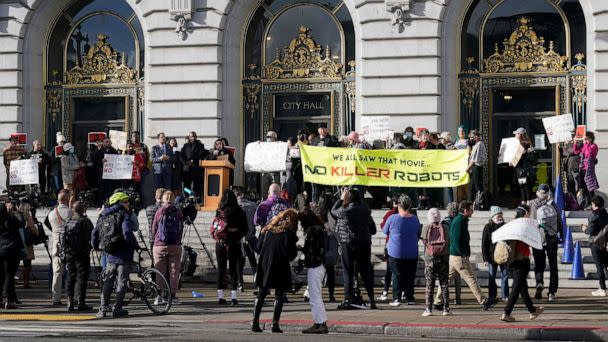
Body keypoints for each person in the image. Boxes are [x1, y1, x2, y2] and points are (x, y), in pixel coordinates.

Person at [251, 209, 299, 333]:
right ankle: (275, 324)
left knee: (261, 293)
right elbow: (291, 255)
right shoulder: (289, 234)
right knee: (279, 294)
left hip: (265, 264)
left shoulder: (267, 230)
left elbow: (257, 248)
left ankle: (255, 322)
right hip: (280, 264)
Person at [92, 192, 139, 318]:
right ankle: (117, 309)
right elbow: (127, 232)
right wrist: (136, 246)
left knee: (108, 280)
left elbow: (95, 232)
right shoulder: (124, 214)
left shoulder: (103, 215)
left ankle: (102, 309)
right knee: (122, 281)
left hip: (110, 253)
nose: (128, 204)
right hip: (124, 253)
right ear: (120, 203)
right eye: (126, 201)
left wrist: (95, 246)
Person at [435, 200, 489, 309]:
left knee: (446, 279)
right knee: (471, 278)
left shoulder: (460, 220)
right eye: (471, 210)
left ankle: (438, 301)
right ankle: (483, 301)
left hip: (454, 256)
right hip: (459, 257)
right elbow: (456, 240)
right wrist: (463, 253)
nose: (472, 212)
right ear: (465, 210)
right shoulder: (460, 221)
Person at [332, 188, 377, 310]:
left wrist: (341, 199)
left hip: (348, 243)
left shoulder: (346, 210)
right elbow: (373, 230)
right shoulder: (365, 210)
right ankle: (371, 298)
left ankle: (348, 298)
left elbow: (334, 211)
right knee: (366, 271)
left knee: (348, 271)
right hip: (364, 243)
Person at [383, 194, 421, 306]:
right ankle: (410, 298)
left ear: (399, 205)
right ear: (409, 206)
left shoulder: (392, 218)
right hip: (412, 252)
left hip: (395, 252)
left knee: (396, 275)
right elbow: (418, 232)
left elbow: (385, 231)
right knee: (410, 276)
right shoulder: (415, 219)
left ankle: (396, 298)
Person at [211, 190, 247, 305]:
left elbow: (215, 227)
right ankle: (234, 296)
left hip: (221, 243)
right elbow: (245, 229)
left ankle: (220, 296)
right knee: (233, 269)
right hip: (234, 243)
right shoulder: (240, 211)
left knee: (221, 269)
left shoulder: (219, 211)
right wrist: (236, 235)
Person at [527, 184, 561, 302]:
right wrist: (561, 234)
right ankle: (552, 292)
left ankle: (539, 282)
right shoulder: (552, 204)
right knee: (553, 266)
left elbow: (530, 221)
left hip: (538, 238)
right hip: (552, 238)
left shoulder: (532, 203)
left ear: (537, 193)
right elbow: (559, 220)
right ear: (548, 193)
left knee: (539, 264)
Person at [298, 208, 329, 334]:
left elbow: (313, 250)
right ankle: (322, 322)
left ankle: (319, 323)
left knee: (314, 296)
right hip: (319, 265)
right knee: (317, 295)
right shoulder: (319, 228)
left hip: (315, 265)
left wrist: (302, 249)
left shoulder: (313, 231)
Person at [151, 190, 184, 304]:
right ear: (173, 199)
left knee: (159, 271)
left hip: (159, 245)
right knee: (174, 272)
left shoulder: (159, 211)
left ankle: (158, 297)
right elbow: (181, 228)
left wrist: (157, 239)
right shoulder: (178, 211)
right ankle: (172, 297)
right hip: (175, 245)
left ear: (163, 200)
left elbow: (154, 228)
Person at [501, 239, 544, 322]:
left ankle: (532, 310)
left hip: (510, 263)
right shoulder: (522, 232)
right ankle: (507, 313)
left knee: (522, 288)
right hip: (521, 262)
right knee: (516, 289)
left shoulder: (509, 231)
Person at [64, 201, 94, 311]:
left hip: (70, 253)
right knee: (82, 277)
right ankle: (81, 301)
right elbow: (92, 234)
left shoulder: (69, 221)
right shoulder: (85, 221)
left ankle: (70, 301)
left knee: (70, 277)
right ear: (83, 209)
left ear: (73, 209)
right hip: (82, 253)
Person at [45, 190, 73, 305]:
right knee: (70, 271)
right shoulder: (71, 213)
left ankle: (56, 298)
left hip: (56, 244)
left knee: (57, 272)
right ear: (67, 200)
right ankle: (71, 296)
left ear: (58, 200)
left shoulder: (51, 213)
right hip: (69, 245)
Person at [421, 208, 450, 316]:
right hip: (443, 259)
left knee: (429, 284)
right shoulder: (445, 227)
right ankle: (446, 309)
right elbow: (448, 241)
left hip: (430, 260)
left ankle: (428, 309)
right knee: (444, 284)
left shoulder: (426, 228)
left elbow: (424, 241)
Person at [482, 206, 510, 304]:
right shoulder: (488, 227)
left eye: (501, 215)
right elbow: (484, 243)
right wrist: (485, 258)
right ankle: (492, 296)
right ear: (493, 216)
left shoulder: (506, 226)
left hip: (504, 256)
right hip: (491, 256)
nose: (500, 217)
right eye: (498, 215)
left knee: (505, 275)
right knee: (492, 276)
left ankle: (505, 295)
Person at [582, 196, 608, 296]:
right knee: (606, 265)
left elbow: (591, 231)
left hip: (595, 242)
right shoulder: (606, 214)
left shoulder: (593, 216)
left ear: (594, 204)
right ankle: (601, 287)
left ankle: (602, 288)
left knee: (599, 266)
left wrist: (584, 229)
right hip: (605, 243)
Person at [0, 202, 23, 309]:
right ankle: (9, 300)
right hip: (11, 249)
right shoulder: (11, 219)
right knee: (9, 274)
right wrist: (15, 213)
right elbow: (21, 224)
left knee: (1, 275)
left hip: (1, 249)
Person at [309, 123, 339, 203]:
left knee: (327, 187)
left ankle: (329, 204)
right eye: (320, 129)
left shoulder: (332, 138)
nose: (322, 130)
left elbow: (337, 149)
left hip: (327, 167)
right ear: (318, 130)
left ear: (326, 129)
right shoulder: (315, 140)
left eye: (323, 128)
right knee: (316, 188)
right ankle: (315, 204)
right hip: (317, 168)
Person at [234, 188, 258, 289]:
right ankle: (257, 281)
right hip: (250, 236)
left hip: (239, 237)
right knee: (252, 260)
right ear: (243, 194)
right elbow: (256, 221)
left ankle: (240, 283)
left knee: (239, 261)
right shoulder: (253, 205)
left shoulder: (235, 206)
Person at [378, 195, 399, 301]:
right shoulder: (406, 214)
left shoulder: (389, 214)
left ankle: (385, 291)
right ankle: (402, 292)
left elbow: (382, 226)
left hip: (390, 243)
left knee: (389, 270)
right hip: (401, 245)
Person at [574, 131, 599, 208]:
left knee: (590, 187)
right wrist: (575, 143)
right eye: (585, 139)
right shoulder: (585, 145)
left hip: (589, 169)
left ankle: (594, 204)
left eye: (586, 139)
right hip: (583, 168)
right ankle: (587, 203)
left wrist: (586, 144)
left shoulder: (594, 146)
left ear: (590, 139)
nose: (585, 140)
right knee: (584, 187)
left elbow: (589, 154)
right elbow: (577, 152)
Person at [181, 131, 208, 202]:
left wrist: (194, 161)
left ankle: (198, 200)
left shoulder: (200, 145)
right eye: (191, 136)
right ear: (189, 137)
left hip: (196, 168)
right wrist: (186, 162)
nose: (192, 138)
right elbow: (181, 156)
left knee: (197, 185)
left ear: (196, 137)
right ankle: (188, 198)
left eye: (193, 136)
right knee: (186, 186)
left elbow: (201, 154)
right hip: (187, 169)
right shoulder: (185, 145)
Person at [512, 128, 536, 204]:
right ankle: (526, 203)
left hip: (522, 170)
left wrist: (512, 161)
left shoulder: (523, 144)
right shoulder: (528, 143)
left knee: (524, 187)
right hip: (526, 169)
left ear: (520, 135)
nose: (515, 135)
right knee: (526, 187)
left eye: (516, 133)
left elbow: (519, 157)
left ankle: (525, 204)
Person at [18, 203, 38, 289]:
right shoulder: (28, 218)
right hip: (27, 243)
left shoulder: (16, 217)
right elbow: (35, 231)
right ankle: (26, 282)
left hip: (17, 242)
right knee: (27, 264)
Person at [93, 138, 118, 202]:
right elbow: (94, 161)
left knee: (110, 188)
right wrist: (101, 161)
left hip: (110, 174)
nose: (108, 143)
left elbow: (117, 159)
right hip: (101, 173)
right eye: (106, 142)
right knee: (101, 188)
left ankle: (110, 201)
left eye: (109, 142)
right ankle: (101, 202)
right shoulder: (99, 151)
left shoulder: (114, 151)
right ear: (103, 143)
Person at [466, 130, 487, 201]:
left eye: (472, 137)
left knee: (478, 187)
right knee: (471, 187)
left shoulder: (479, 145)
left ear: (476, 137)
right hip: (475, 168)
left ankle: (480, 202)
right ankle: (470, 202)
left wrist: (467, 169)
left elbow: (474, 160)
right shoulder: (476, 145)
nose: (470, 139)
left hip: (476, 168)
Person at [145, 188, 167, 253]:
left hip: (152, 238)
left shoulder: (149, 208)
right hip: (164, 239)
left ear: (155, 197)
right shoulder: (166, 209)